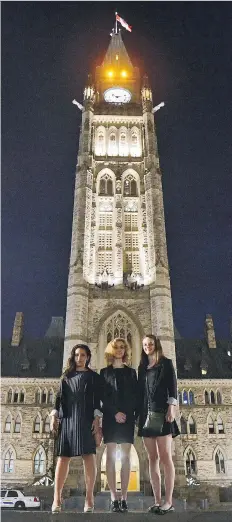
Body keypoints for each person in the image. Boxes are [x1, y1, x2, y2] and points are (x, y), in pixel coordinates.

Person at [50, 344, 102, 513]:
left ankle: (89, 498)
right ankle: (57, 499)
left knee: (89, 458)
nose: (80, 358)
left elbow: (97, 400)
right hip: (68, 419)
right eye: (77, 355)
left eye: (83, 355)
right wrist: (54, 416)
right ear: (73, 357)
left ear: (88, 357)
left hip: (85, 418)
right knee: (63, 459)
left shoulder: (93, 376)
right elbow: (58, 398)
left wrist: (97, 420)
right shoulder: (66, 376)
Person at [137, 335, 180, 515]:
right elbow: (141, 393)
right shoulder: (142, 368)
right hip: (146, 415)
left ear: (156, 345)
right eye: (145, 345)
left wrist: (172, 407)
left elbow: (173, 386)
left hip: (163, 413)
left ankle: (168, 501)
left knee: (165, 457)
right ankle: (157, 500)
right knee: (152, 458)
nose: (148, 347)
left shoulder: (166, 364)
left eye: (151, 344)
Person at [100, 338, 138, 513]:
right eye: (116, 347)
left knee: (126, 457)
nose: (120, 350)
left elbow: (133, 397)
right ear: (111, 350)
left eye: (123, 347)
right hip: (110, 417)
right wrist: (115, 412)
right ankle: (113, 497)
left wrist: (127, 414)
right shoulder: (104, 372)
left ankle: (124, 498)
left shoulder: (131, 373)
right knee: (109, 457)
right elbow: (104, 397)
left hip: (127, 418)